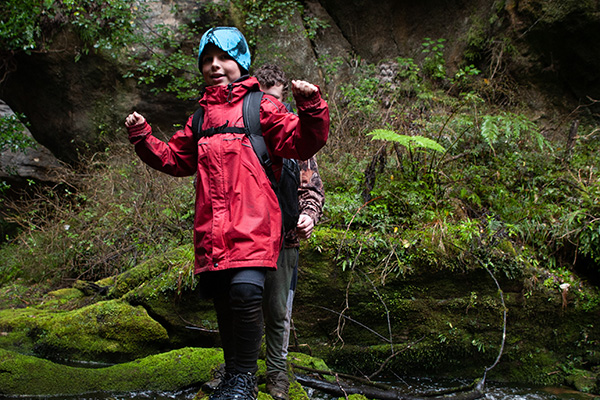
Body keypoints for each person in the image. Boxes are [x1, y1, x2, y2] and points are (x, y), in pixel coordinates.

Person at [124, 27, 329, 400]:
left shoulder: (261, 107)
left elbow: (303, 142)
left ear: (241, 62)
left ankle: (245, 380)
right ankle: (235, 377)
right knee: (225, 302)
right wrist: (143, 137)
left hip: (255, 227)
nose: (214, 66)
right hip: (212, 232)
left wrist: (311, 107)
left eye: (223, 58)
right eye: (207, 60)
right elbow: (174, 159)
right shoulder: (200, 118)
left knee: (247, 294)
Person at [256, 64, 325, 400]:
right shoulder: (242, 131)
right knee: (242, 305)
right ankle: (239, 369)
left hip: (285, 241)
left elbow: (312, 187)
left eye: (277, 99)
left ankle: (277, 374)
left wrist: (309, 215)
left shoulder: (293, 134)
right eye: (263, 99)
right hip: (247, 240)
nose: (271, 107)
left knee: (279, 312)